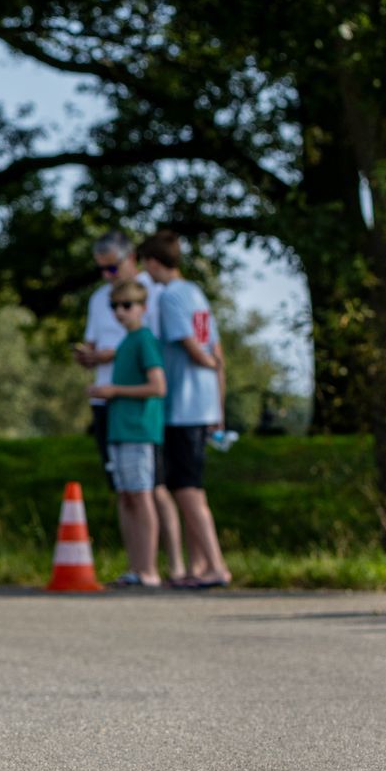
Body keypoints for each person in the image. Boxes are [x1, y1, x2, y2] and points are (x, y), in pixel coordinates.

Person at [73, 231, 185, 580]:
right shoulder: (98, 299)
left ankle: (170, 566)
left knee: (154, 487)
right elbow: (96, 341)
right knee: (125, 490)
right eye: (102, 271)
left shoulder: (154, 296)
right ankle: (138, 565)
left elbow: (155, 359)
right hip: (111, 404)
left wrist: (114, 360)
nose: (108, 277)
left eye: (113, 268)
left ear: (131, 259)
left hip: (138, 410)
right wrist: (91, 358)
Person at [137, 230, 232, 589]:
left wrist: (204, 362)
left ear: (153, 263)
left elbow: (191, 344)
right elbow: (217, 347)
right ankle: (199, 566)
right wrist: (218, 401)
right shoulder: (197, 293)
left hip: (183, 405)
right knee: (189, 485)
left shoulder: (171, 296)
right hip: (204, 404)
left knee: (187, 489)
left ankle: (216, 565)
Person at [88, 279, 167, 587]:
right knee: (125, 496)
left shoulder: (144, 339)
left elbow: (158, 386)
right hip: (119, 428)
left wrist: (114, 390)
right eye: (115, 307)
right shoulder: (125, 341)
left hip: (138, 429)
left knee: (141, 495)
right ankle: (135, 566)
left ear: (142, 308)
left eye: (126, 305)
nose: (120, 312)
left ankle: (149, 569)